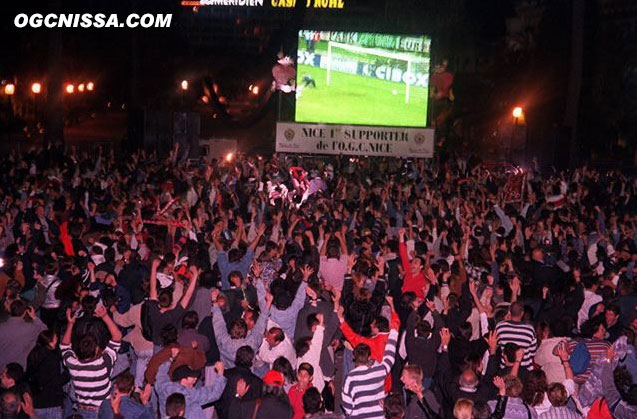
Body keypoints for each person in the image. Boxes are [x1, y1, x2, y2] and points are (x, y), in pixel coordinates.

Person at [61, 305, 122, 418]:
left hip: (81, 411)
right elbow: (117, 336)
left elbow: (64, 346)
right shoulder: (103, 365)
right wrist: (105, 317)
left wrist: (70, 324)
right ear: (96, 349)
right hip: (102, 412)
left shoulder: (73, 365)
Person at [341, 319, 398, 418]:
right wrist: (394, 329)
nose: (370, 325)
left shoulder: (350, 378)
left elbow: (347, 406)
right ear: (369, 357)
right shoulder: (380, 370)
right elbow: (390, 356)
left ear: (354, 357)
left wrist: (341, 320)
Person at [154, 347, 227, 419]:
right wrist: (220, 373)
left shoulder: (164, 387)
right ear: (184, 380)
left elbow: (161, 373)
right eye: (192, 376)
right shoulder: (189, 395)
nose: (196, 379)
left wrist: (171, 358)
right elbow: (214, 393)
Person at [25, 330, 69, 419]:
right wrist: (67, 373)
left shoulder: (33, 354)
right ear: (50, 341)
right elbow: (55, 381)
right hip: (51, 402)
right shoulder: (51, 358)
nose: (57, 339)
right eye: (56, 337)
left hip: (37, 399)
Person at [0, 300, 47, 372]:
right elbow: (45, 333)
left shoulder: (2, 327)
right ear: (25, 312)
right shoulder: (31, 328)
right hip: (18, 369)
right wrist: (34, 318)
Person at [228, 370, 293, 419]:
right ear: (281, 388)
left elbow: (232, 415)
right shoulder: (287, 410)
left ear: (264, 386)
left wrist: (238, 395)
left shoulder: (250, 406)